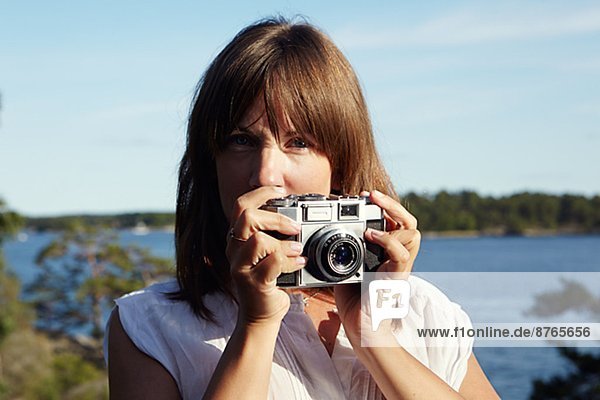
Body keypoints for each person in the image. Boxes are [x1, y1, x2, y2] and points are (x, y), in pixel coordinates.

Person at [105, 17, 499, 399]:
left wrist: (375, 335)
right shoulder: (150, 327)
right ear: (211, 161)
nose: (265, 174)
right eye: (241, 140)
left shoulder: (425, 312)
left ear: (340, 162)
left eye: (298, 143)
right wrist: (256, 325)